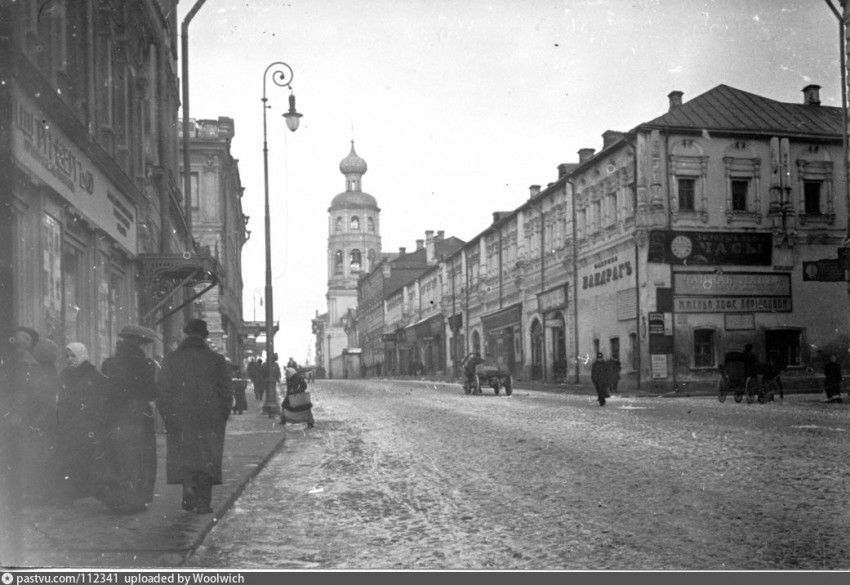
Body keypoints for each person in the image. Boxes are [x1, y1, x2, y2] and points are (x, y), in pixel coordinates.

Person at [156, 319, 232, 515]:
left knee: (185, 455)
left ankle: (188, 487)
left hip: (180, 417)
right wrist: (222, 415)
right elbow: (226, 392)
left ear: (185, 334)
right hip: (210, 418)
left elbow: (163, 391)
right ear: (205, 336)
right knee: (207, 457)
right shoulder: (216, 360)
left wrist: (168, 416)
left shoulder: (172, 359)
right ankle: (204, 503)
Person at [99, 325, 159, 514]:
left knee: (116, 455)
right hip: (137, 416)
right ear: (140, 343)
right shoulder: (146, 365)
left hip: (114, 416)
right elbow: (152, 392)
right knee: (139, 458)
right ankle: (135, 499)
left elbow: (106, 390)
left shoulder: (109, 364)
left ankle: (116, 497)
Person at [55, 342, 110, 506]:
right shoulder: (64, 375)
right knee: (69, 461)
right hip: (68, 425)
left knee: (90, 459)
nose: (70, 359)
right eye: (67, 356)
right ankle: (68, 495)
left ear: (82, 355)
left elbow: (103, 399)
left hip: (87, 425)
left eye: (73, 356)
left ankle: (97, 491)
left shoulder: (94, 375)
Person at [24, 339, 61, 505]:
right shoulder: (53, 371)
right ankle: (46, 493)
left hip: (38, 417)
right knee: (47, 456)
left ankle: (37, 494)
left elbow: (34, 397)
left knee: (36, 456)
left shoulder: (35, 371)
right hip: (50, 417)